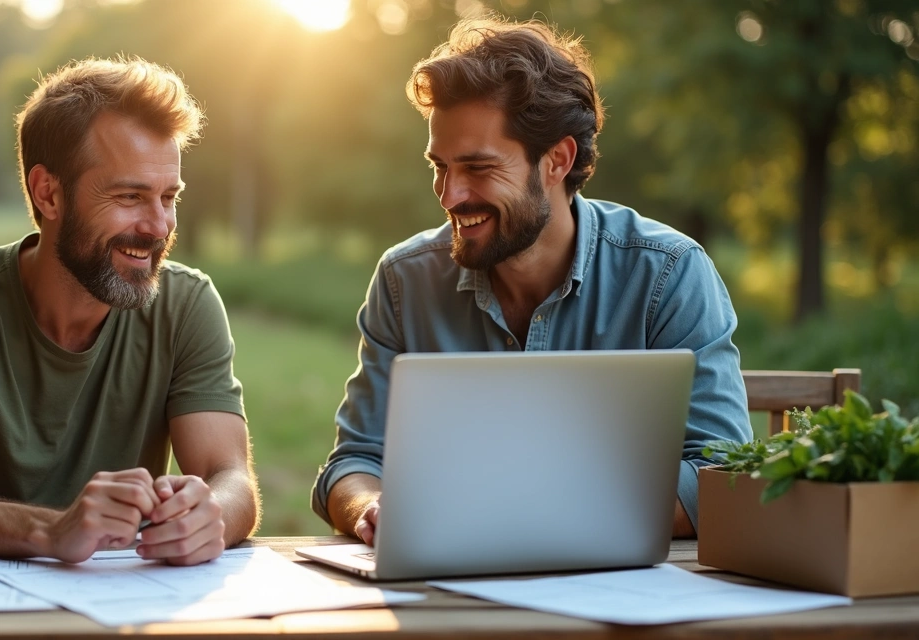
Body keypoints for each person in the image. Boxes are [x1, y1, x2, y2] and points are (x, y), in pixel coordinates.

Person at [312, 18, 751, 544]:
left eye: (477, 167)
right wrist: (371, 508)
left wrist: (507, 513)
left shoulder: (668, 273)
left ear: (557, 161)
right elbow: (356, 461)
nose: (450, 195)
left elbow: (720, 472)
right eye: (440, 166)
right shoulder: (404, 281)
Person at [0, 57, 259, 566]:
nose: (159, 226)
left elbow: (230, 477)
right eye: (130, 196)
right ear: (48, 193)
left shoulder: (186, 305)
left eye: (168, 197)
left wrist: (212, 514)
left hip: (121, 608)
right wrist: (49, 531)